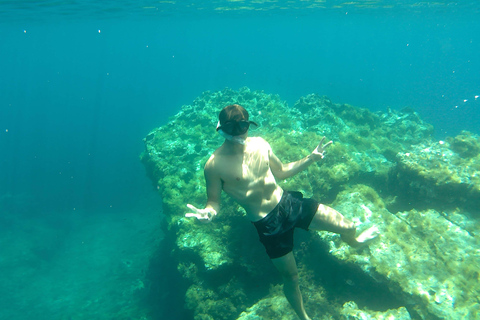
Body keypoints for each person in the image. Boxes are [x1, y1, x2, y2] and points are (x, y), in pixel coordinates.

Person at [186, 104, 378, 320]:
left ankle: (354, 241)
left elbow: (282, 172)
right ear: (221, 128)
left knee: (348, 226)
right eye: (233, 128)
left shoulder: (260, 144)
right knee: (292, 277)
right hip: (268, 225)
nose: (239, 133)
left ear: (248, 124)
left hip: (287, 203)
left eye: (243, 126)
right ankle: (304, 317)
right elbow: (214, 202)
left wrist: (310, 158)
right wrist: (208, 213)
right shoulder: (214, 165)